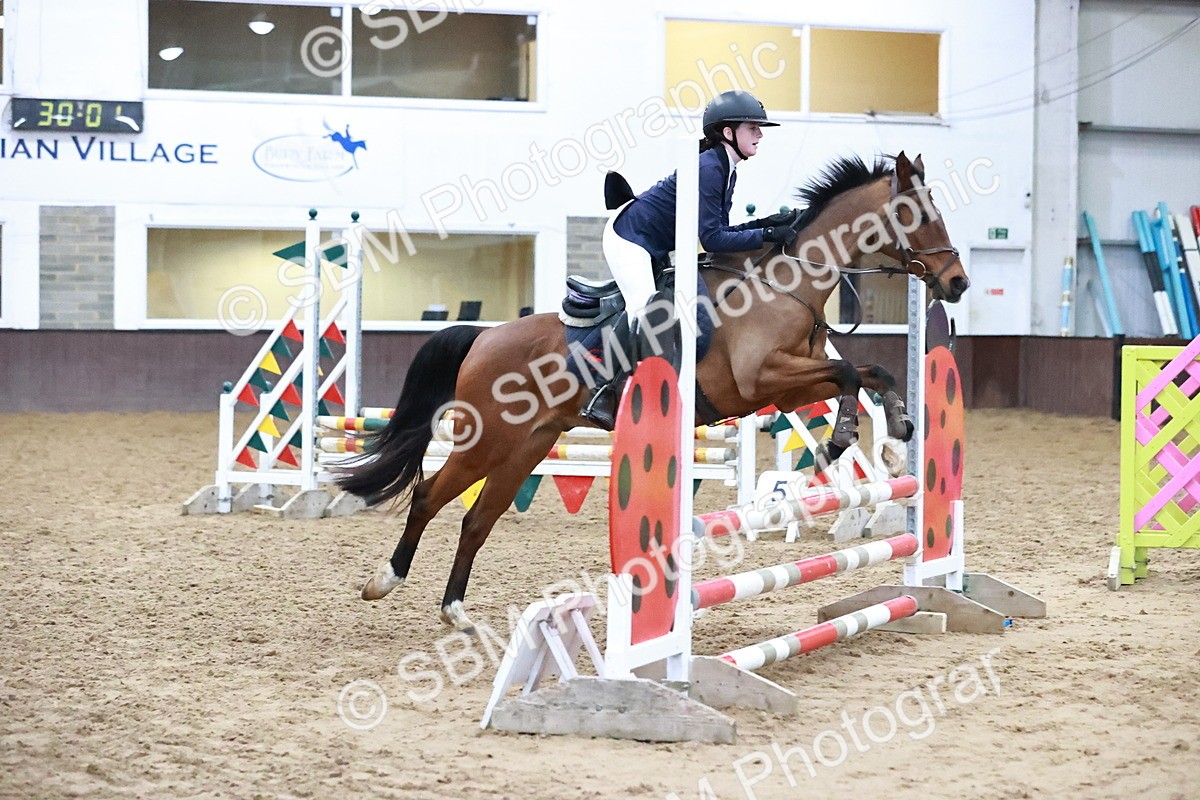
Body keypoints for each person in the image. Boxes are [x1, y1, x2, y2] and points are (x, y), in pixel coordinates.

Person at [580, 89, 799, 428]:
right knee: (645, 308)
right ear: (728, 132)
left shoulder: (726, 167)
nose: (759, 134)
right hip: (630, 239)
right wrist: (766, 236)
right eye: (752, 127)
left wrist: (766, 224)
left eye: (759, 128)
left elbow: (717, 232)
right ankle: (604, 392)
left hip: (658, 244)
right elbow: (712, 239)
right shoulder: (710, 168)